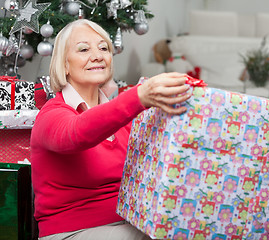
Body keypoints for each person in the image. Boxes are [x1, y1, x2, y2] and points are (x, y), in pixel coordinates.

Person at [30, 19, 191, 239]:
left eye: (103, 48)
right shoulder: (52, 115)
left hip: (129, 222)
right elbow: (76, 133)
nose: (97, 55)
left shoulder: (122, 117)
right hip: (71, 231)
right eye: (84, 49)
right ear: (64, 64)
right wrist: (137, 97)